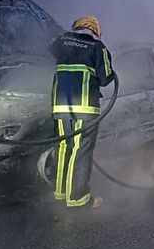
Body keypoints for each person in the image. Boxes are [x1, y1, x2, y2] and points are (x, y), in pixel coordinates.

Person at [49, 16, 115, 209]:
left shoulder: (60, 42)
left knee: (62, 148)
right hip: (85, 108)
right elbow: (106, 79)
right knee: (80, 150)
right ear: (95, 31)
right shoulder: (97, 47)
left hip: (60, 106)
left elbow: (49, 49)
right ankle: (78, 198)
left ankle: (60, 193)